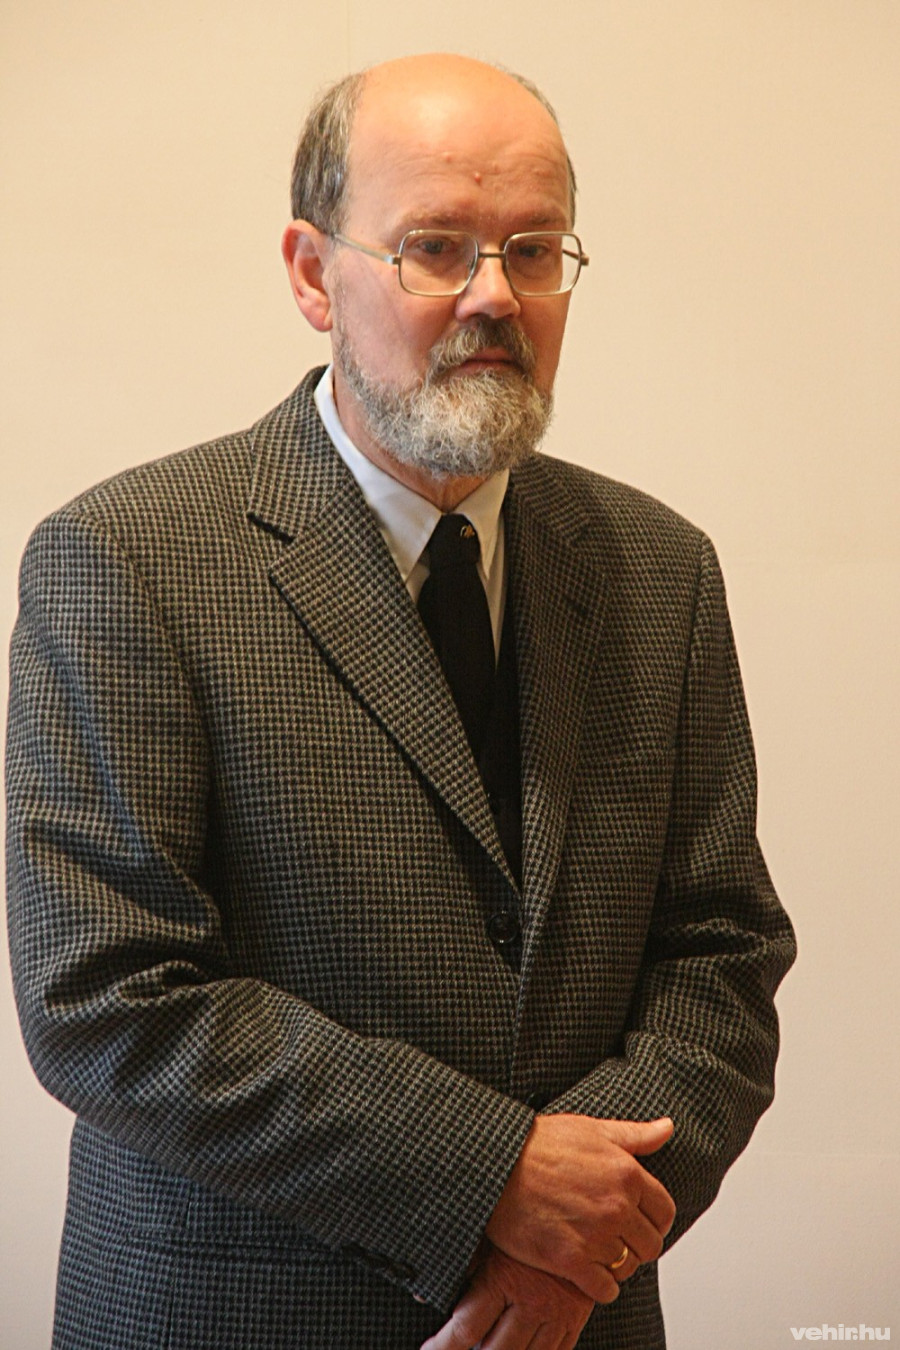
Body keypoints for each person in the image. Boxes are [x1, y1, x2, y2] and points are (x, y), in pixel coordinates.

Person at [6, 53, 795, 1350]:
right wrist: (495, 1177)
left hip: (576, 1318)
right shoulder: (126, 558)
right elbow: (110, 997)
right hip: (238, 1315)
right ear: (313, 273)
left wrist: (573, 1246)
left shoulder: (662, 571)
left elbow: (721, 952)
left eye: (533, 251)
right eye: (436, 247)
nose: (495, 295)